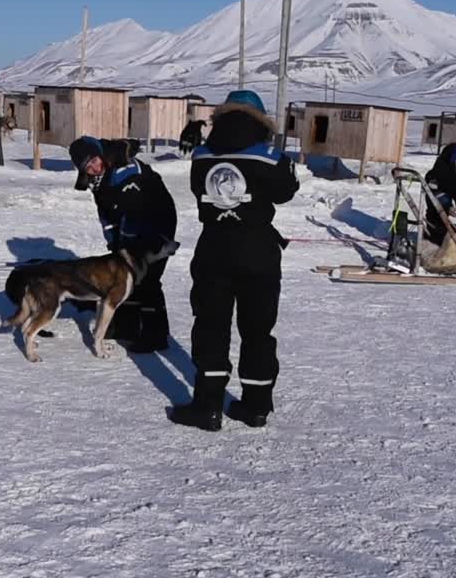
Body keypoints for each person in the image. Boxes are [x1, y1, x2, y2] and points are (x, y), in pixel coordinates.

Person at [169, 90, 299, 431]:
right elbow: (286, 192)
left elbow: (201, 191)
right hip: (258, 251)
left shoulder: (201, 155)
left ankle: (207, 407)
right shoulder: (272, 157)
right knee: (258, 330)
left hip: (214, 249)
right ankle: (256, 406)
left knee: (211, 327)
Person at [67, 136, 178, 353]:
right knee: (124, 277)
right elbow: (107, 214)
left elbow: (133, 210)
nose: (93, 168)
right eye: (87, 167)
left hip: (157, 224)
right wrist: (113, 242)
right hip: (131, 228)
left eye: (94, 160)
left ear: (101, 154)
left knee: (148, 279)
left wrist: (125, 244)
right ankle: (126, 327)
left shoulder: (125, 168)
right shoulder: (98, 180)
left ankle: (155, 336)